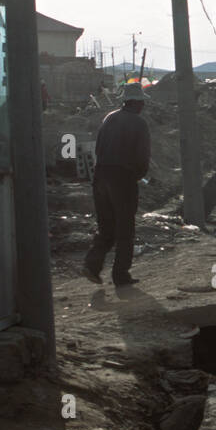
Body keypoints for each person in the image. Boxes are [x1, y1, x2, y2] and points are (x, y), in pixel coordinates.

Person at [82, 82, 151, 288]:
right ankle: (121, 275)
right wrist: (137, 176)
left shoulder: (109, 118)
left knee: (106, 227)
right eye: (142, 103)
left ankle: (92, 265)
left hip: (101, 176)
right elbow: (142, 157)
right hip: (122, 179)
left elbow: (99, 149)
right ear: (137, 103)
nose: (143, 106)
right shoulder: (139, 124)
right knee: (125, 229)